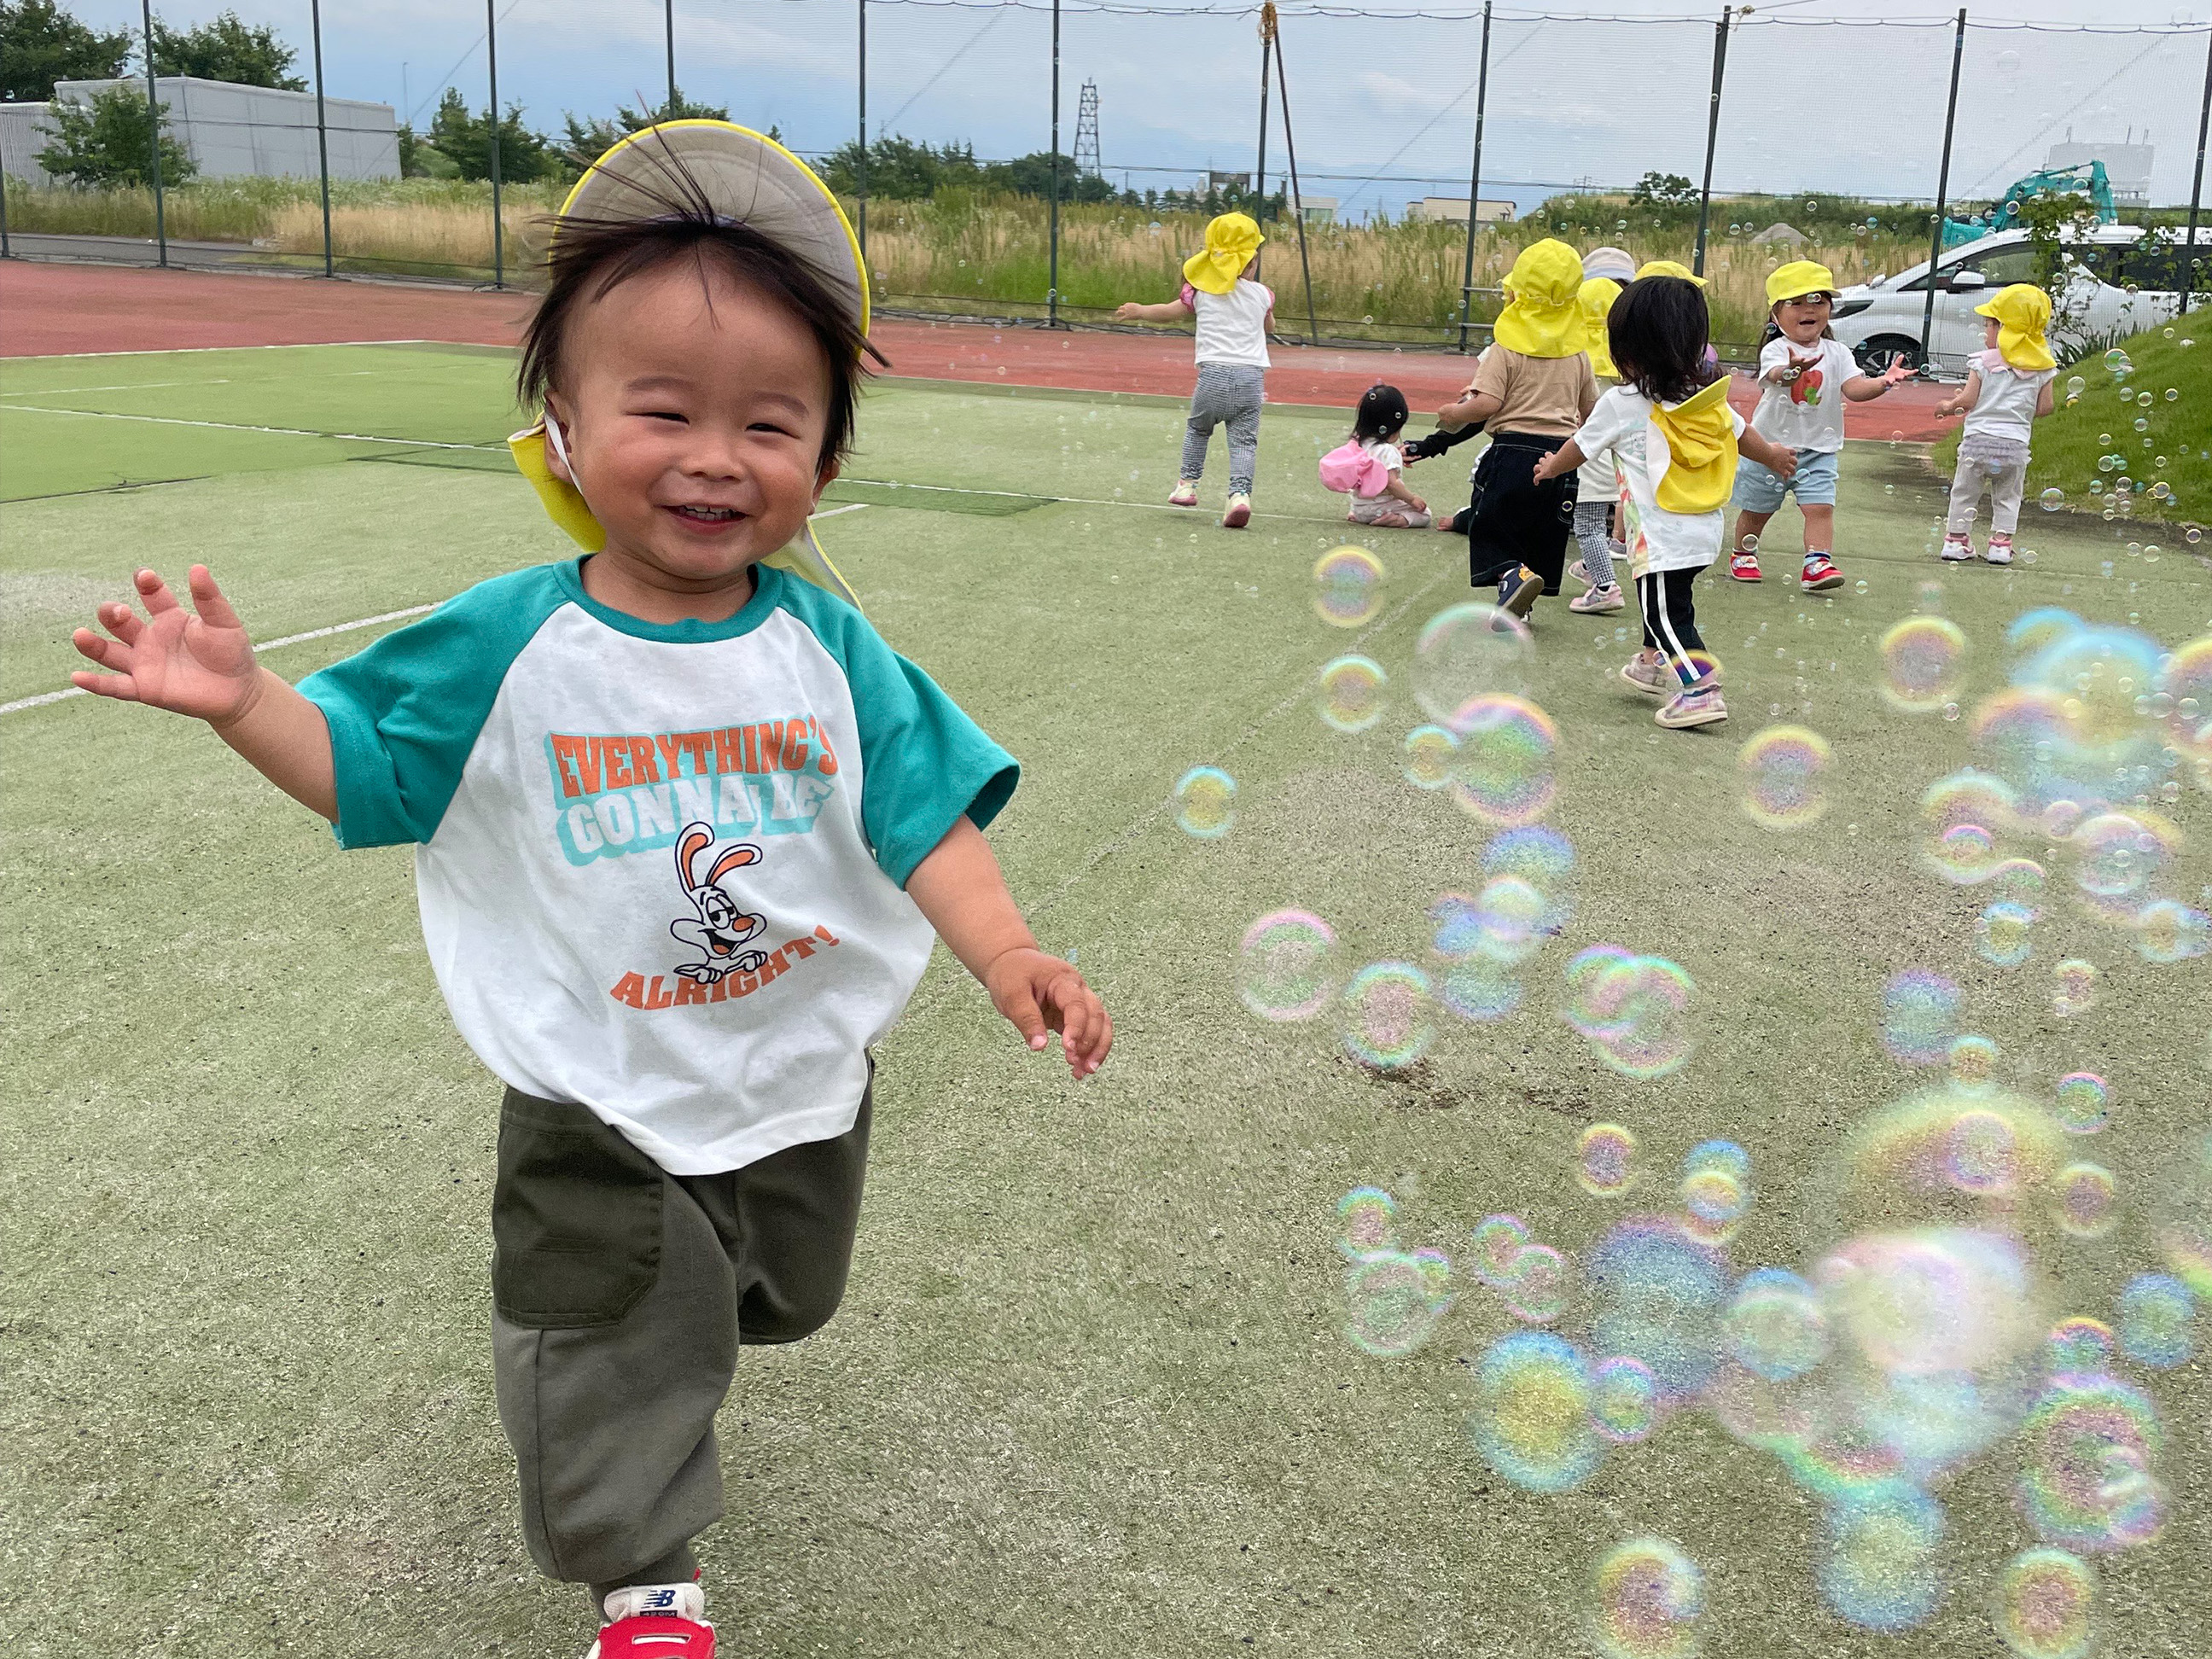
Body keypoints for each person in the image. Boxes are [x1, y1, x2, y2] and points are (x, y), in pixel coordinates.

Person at [67, 123, 1113, 1658]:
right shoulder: (508, 639)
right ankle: (645, 1570)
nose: (713, 454)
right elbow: (366, 767)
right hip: (591, 1073)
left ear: (823, 459)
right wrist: (247, 704)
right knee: (607, 1325)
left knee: (781, 1297)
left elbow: (926, 817)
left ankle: (677, 1339)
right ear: (562, 430)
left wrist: (1009, 944)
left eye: (770, 421)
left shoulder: (831, 649)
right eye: (661, 409)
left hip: (792, 1063)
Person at [1535, 273, 1801, 731]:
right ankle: (1648, 663)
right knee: (1668, 603)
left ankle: (1700, 690)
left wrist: (1550, 468)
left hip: (1659, 537)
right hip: (1700, 529)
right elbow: (1743, 436)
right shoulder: (1703, 399)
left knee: (1663, 612)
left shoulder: (1621, 402)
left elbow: (1581, 445)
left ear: (1627, 348)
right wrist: (1775, 456)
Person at [1432, 237, 1598, 620]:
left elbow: (1488, 404)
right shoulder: (1578, 354)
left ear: (1516, 295)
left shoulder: (1504, 349)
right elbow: (1590, 410)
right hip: (1561, 456)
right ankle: (1518, 606)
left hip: (1512, 452)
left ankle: (1509, 575)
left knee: (1493, 526)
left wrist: (1452, 413)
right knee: (1540, 532)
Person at [1729, 261, 1913, 590]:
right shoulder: (1776, 349)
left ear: (1829, 309)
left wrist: (1883, 382)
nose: (1808, 309)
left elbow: (1855, 389)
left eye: (1818, 301)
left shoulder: (1838, 352)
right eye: (1796, 303)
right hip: (1769, 449)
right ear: (1775, 316)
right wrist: (1792, 371)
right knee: (1757, 510)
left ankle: (1817, 564)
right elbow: (1775, 376)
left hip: (1818, 450)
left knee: (1820, 509)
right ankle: (1743, 553)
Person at [1115, 212, 1273, 529]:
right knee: (1244, 442)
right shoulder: (1263, 295)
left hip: (1213, 375)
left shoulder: (1199, 293)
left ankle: (1187, 485)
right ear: (1251, 263)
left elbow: (1168, 313)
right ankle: (1240, 495)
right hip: (1251, 379)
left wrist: (1139, 311)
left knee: (1199, 430)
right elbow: (1268, 327)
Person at [1931, 282, 2058, 565]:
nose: (1986, 332)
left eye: (1989, 325)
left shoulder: (1983, 362)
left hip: (1977, 443)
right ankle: (2000, 545)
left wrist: (1949, 407)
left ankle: (1955, 540)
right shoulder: (2043, 367)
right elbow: (2046, 407)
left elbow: (1968, 401)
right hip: (2014, 447)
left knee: (1964, 492)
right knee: (2008, 497)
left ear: (2003, 329)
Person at [1565, 259, 1630, 614]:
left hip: (1589, 458)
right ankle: (1592, 568)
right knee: (1602, 522)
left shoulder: (1576, 361)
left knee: (1587, 525)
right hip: (1622, 463)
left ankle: (1605, 587)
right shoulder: (1629, 368)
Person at [1319, 381, 1432, 527]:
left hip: (1360, 509)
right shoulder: (1387, 451)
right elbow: (1392, 483)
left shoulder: (1359, 445)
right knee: (1425, 515)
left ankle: (1361, 516)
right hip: (1381, 508)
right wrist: (1412, 499)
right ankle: (1397, 520)